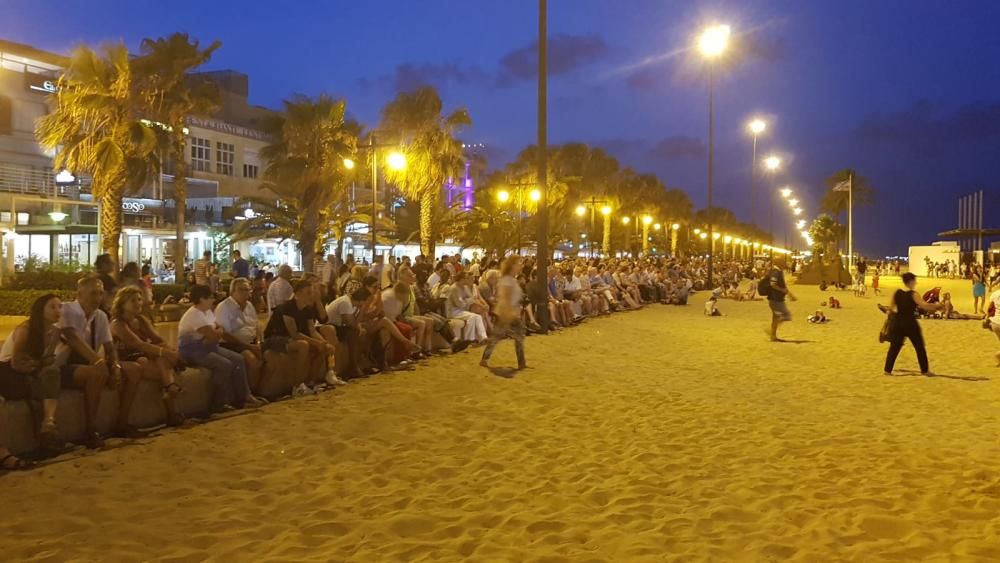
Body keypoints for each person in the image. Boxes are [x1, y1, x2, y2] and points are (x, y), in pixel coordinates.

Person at [58, 275, 121, 448]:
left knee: (132, 370)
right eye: (93, 293)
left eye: (100, 293)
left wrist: (115, 365)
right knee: (96, 374)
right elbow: (72, 338)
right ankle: (90, 428)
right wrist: (99, 361)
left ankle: (122, 422)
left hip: (84, 364)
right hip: (60, 365)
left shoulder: (99, 316)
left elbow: (109, 346)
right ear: (79, 293)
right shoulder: (66, 310)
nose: (98, 298)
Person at [178, 285, 261, 411]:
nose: (213, 300)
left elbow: (216, 332)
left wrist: (214, 334)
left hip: (207, 347)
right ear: (201, 299)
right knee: (224, 365)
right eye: (210, 297)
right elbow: (214, 335)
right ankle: (219, 403)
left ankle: (244, 396)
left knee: (238, 359)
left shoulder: (207, 312)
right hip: (192, 351)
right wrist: (214, 334)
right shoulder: (194, 315)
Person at [110, 286, 184, 427]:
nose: (138, 303)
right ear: (122, 304)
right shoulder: (118, 324)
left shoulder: (141, 320)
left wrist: (169, 350)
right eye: (133, 301)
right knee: (156, 362)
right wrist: (169, 353)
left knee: (161, 359)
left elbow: (157, 339)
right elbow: (138, 344)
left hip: (145, 357)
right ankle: (170, 397)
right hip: (124, 358)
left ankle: (169, 389)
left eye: (139, 299)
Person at [0, 294, 63, 447]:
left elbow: (48, 359)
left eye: (60, 307)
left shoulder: (55, 332)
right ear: (40, 310)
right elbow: (16, 362)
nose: (58, 311)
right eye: (52, 307)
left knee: (52, 372)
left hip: (35, 368)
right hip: (10, 370)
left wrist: (41, 364)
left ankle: (49, 421)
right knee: (43, 379)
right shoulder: (26, 329)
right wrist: (40, 364)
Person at [263, 280, 335, 393]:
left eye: (312, 293)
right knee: (303, 345)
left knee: (322, 348)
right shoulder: (287, 307)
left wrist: (325, 343)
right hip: (275, 337)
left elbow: (312, 331)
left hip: (291, 338)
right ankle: (297, 385)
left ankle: (310, 382)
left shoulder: (307, 309)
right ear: (298, 294)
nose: (311, 296)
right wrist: (316, 342)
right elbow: (294, 334)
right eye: (308, 293)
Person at [215, 278, 269, 396]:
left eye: (247, 290)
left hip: (251, 341)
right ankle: (248, 394)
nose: (246, 293)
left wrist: (258, 342)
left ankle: (261, 391)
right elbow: (225, 334)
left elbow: (256, 325)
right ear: (233, 291)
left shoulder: (249, 305)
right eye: (242, 290)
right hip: (231, 344)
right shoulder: (224, 307)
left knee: (270, 357)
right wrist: (248, 347)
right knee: (251, 360)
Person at [884, 273, 942, 376]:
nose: (916, 282)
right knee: (919, 346)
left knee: (894, 347)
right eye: (914, 281)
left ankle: (887, 370)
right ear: (910, 281)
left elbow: (891, 309)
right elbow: (925, 306)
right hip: (910, 323)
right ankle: (925, 370)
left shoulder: (897, 293)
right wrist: (938, 306)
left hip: (898, 322)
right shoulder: (913, 294)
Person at [481, 256, 527, 370]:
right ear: (512, 265)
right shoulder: (507, 280)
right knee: (504, 336)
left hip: (510, 311)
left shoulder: (512, 279)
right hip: (506, 312)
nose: (521, 265)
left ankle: (521, 362)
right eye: (518, 263)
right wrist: (509, 313)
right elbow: (506, 298)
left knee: (503, 336)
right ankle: (521, 362)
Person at [327, 288, 372, 379]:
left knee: (362, 331)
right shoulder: (345, 302)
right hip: (331, 325)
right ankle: (353, 366)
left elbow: (356, 322)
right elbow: (351, 323)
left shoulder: (353, 305)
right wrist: (363, 310)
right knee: (354, 333)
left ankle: (358, 362)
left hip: (340, 326)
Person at [764, 263, 797, 341]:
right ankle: (769, 330)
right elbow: (773, 284)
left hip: (775, 298)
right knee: (786, 315)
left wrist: (789, 294)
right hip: (776, 299)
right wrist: (783, 291)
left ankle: (773, 336)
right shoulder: (776, 272)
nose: (785, 264)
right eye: (782, 261)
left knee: (776, 317)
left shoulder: (777, 271)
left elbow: (781, 285)